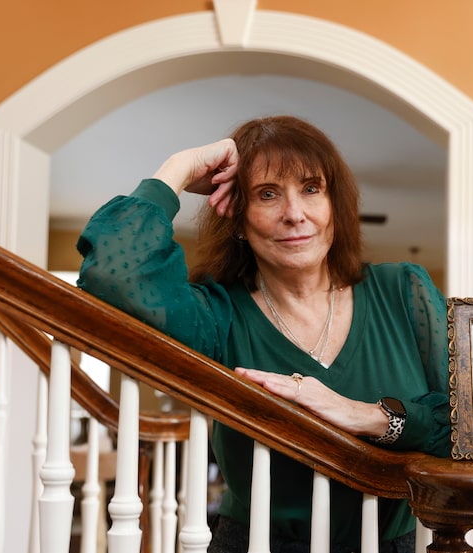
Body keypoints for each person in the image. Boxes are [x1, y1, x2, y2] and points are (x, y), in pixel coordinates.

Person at [75, 116, 451, 553]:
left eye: (311, 189)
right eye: (267, 194)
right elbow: (112, 274)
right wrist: (178, 167)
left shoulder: (402, 292)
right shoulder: (217, 315)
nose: (294, 214)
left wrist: (366, 415)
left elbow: (466, 426)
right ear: (238, 216)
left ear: (335, 206)